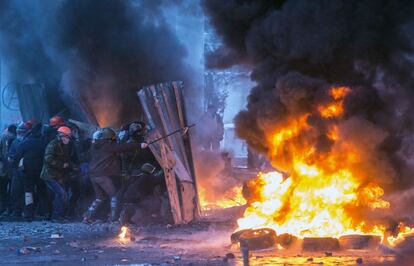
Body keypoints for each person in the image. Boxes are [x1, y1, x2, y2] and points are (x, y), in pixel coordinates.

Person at [83, 127, 148, 223]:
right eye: (113, 138)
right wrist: (140, 145)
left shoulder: (95, 146)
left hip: (94, 175)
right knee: (115, 196)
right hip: (103, 175)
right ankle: (114, 218)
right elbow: (123, 147)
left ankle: (86, 217)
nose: (115, 139)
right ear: (109, 138)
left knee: (99, 197)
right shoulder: (108, 146)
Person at [40, 126, 79, 221]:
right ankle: (56, 216)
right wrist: (61, 165)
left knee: (58, 195)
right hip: (49, 175)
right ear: (61, 136)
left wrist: (73, 166)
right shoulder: (53, 145)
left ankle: (56, 215)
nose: (68, 139)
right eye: (67, 137)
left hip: (57, 176)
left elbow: (67, 159)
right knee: (62, 194)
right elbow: (48, 159)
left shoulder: (64, 146)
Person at [13, 123, 47, 221]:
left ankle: (29, 213)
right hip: (40, 172)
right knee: (42, 191)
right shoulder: (42, 143)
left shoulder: (24, 143)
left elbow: (17, 157)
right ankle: (44, 211)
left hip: (27, 172)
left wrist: (17, 168)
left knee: (28, 192)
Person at [0, 124, 17, 214]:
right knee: (3, 189)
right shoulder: (3, 138)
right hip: (3, 169)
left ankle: (6, 208)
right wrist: (3, 159)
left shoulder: (10, 138)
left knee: (7, 189)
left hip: (7, 169)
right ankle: (4, 207)